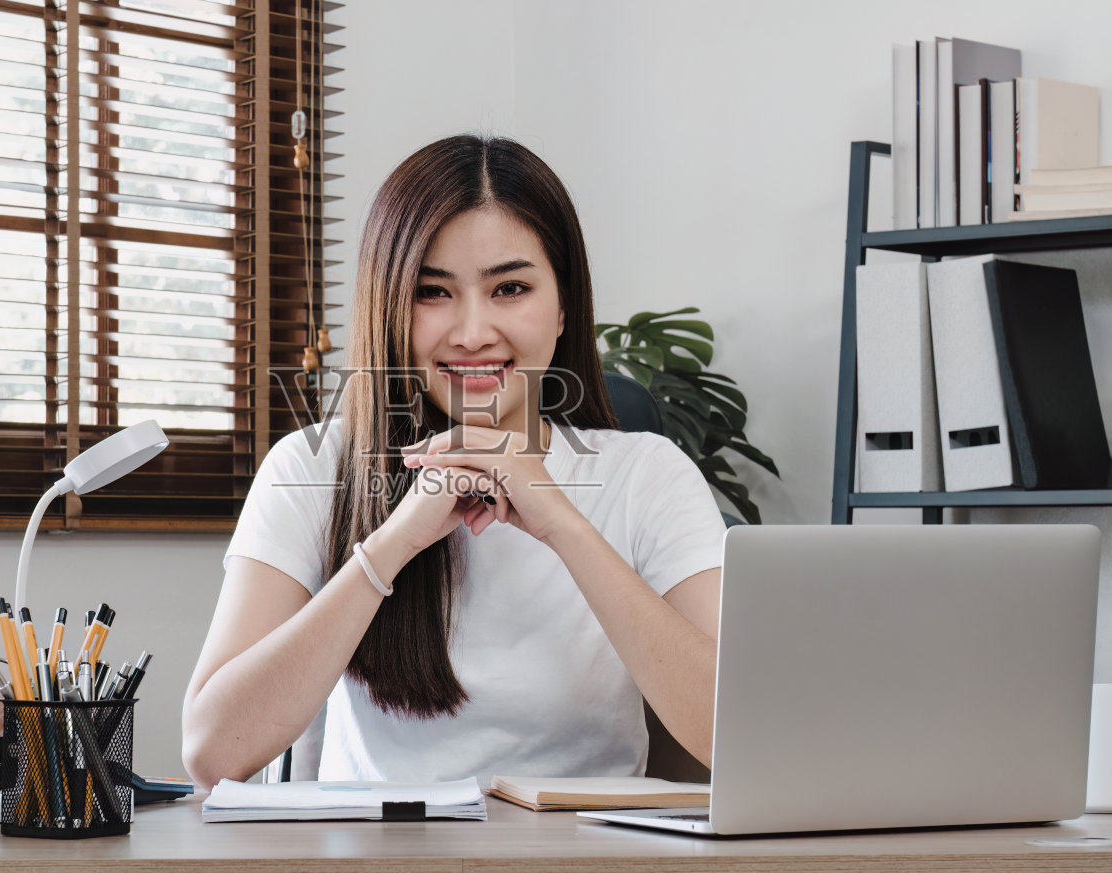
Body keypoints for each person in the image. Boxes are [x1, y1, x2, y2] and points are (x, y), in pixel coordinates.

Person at [182, 135, 726, 786]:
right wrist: (394, 543)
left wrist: (562, 522)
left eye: (511, 288)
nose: (471, 332)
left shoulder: (649, 476)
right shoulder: (313, 467)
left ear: (562, 308)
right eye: (433, 292)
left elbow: (737, 738)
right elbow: (212, 752)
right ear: (390, 310)